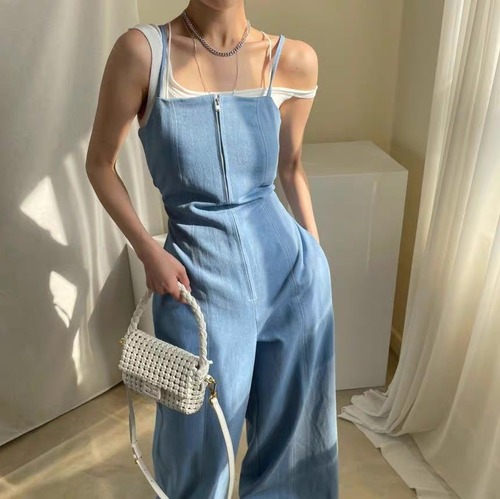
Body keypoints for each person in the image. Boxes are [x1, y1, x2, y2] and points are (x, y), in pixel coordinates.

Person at [86, 1, 338, 498]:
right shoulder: (144, 53)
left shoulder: (291, 59)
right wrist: (148, 250)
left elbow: (291, 167)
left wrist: (315, 256)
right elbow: (99, 164)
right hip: (197, 285)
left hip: (292, 278)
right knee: (196, 449)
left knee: (296, 449)